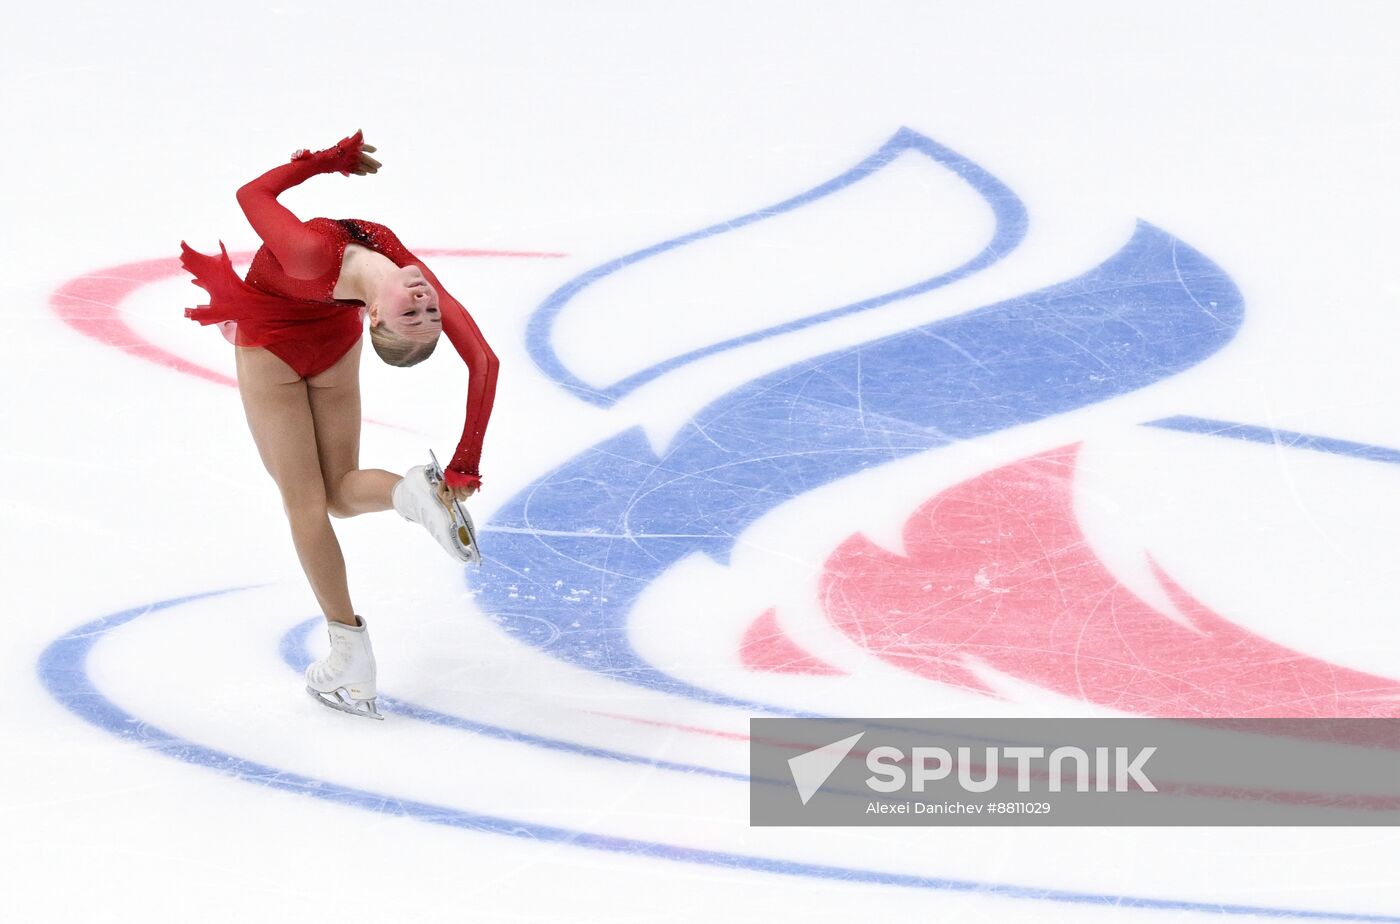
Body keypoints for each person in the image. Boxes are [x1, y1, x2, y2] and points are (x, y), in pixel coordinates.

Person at [181, 131, 499, 720]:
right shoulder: (407, 271)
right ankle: (412, 493)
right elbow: (484, 359)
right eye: (427, 311)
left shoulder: (314, 254)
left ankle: (349, 654)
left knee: (306, 504)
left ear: (376, 314)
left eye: (418, 314)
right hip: (328, 339)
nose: (428, 302)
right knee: (339, 497)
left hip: (276, 341)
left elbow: (252, 195)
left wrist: (325, 163)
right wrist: (461, 464)